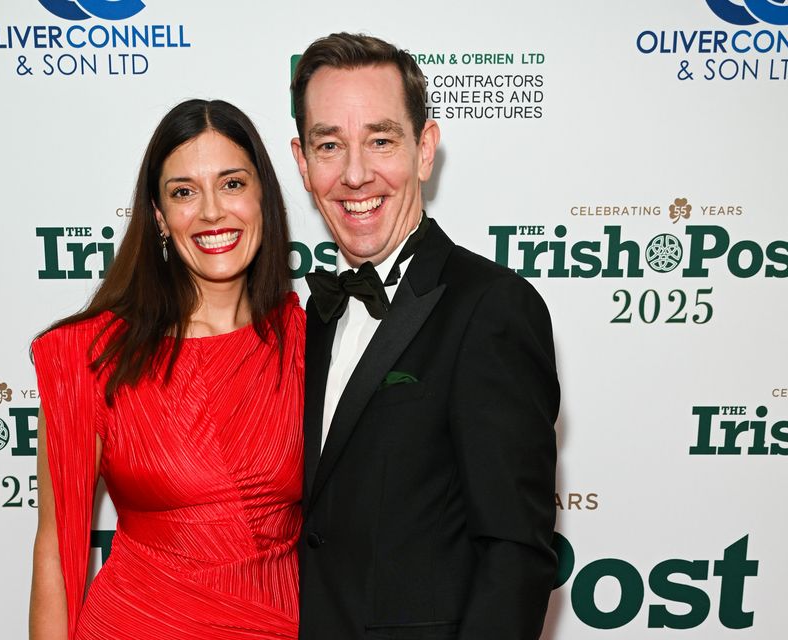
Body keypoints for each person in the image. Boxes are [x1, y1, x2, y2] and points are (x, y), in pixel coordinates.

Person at [289, 33, 560, 640]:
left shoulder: (491, 308)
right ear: (303, 163)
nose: (355, 174)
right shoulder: (315, 315)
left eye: (380, 141)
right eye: (329, 145)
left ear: (425, 149)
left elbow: (515, 555)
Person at [29, 99, 304, 639]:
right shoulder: (90, 356)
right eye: (184, 192)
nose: (210, 213)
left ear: (262, 199)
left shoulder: (308, 341)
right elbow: (55, 555)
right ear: (158, 215)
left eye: (231, 184)